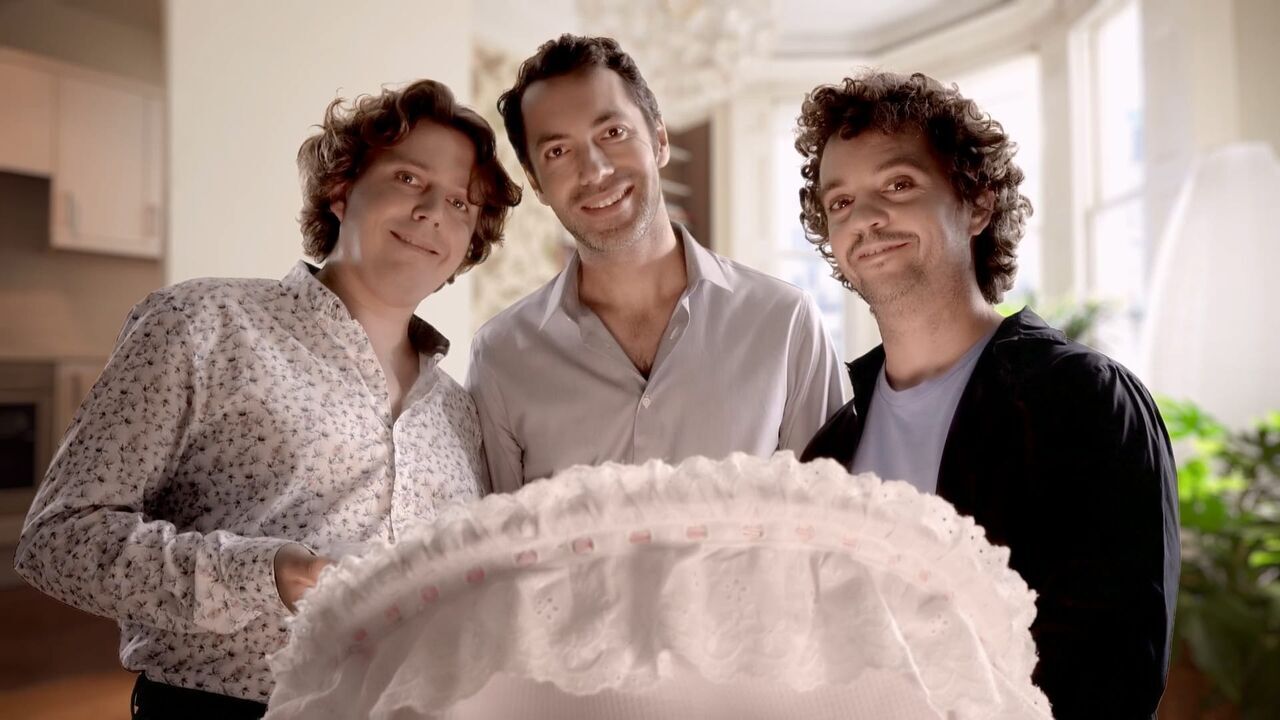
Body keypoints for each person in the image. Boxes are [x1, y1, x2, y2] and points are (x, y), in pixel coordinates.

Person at [14, 79, 520, 718]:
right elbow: (58, 540)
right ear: (342, 189)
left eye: (459, 202)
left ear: (469, 242)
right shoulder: (201, 324)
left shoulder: (458, 410)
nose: (432, 213)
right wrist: (268, 574)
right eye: (409, 179)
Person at [796, 71, 1179, 718]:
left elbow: (1117, 671)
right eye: (840, 202)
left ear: (976, 204)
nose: (864, 218)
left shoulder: (1084, 400)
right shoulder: (830, 439)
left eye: (898, 185)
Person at [468, 34, 843, 491]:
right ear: (536, 182)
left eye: (613, 133)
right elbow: (498, 532)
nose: (595, 170)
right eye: (558, 152)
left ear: (660, 140)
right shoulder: (501, 358)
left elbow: (830, 516)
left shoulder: (785, 324)